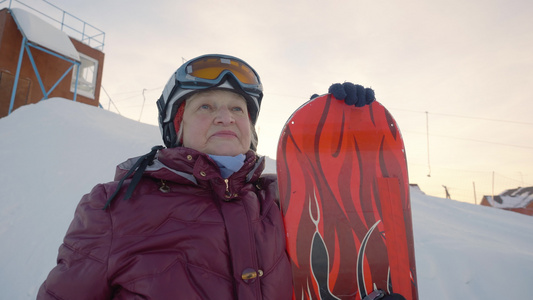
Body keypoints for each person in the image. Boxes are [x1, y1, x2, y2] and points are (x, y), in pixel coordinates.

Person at [37, 54, 403, 299]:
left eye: (237, 108)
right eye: (206, 106)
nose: (225, 117)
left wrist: (330, 125)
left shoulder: (289, 201)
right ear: (175, 127)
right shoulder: (114, 206)